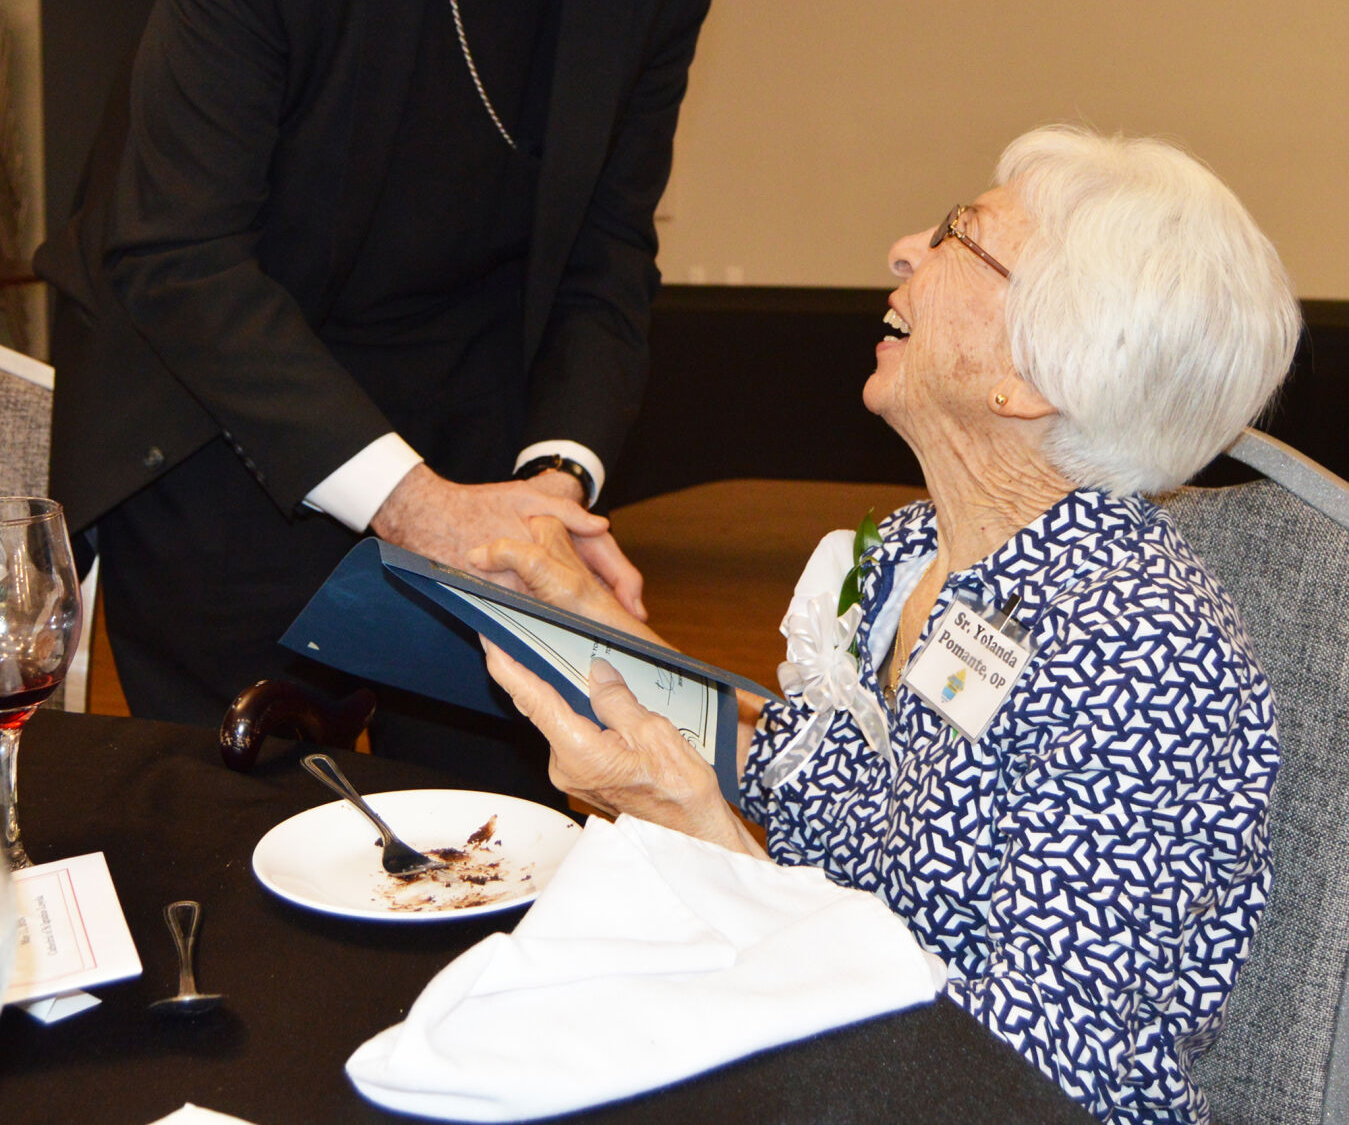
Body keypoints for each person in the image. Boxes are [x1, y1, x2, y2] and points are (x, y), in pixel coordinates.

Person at [475, 124, 1300, 1124]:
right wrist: (586, 617)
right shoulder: (921, 556)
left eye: (962, 234)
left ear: (1028, 381)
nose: (905, 246)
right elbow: (800, 779)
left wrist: (703, 841)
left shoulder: (1139, 655)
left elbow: (1016, 1086)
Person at [34, 0, 721, 792]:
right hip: (221, 431)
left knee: (495, 822)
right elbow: (174, 247)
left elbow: (609, 244)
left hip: (475, 430)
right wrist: (413, 505)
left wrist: (552, 485)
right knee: (240, 823)